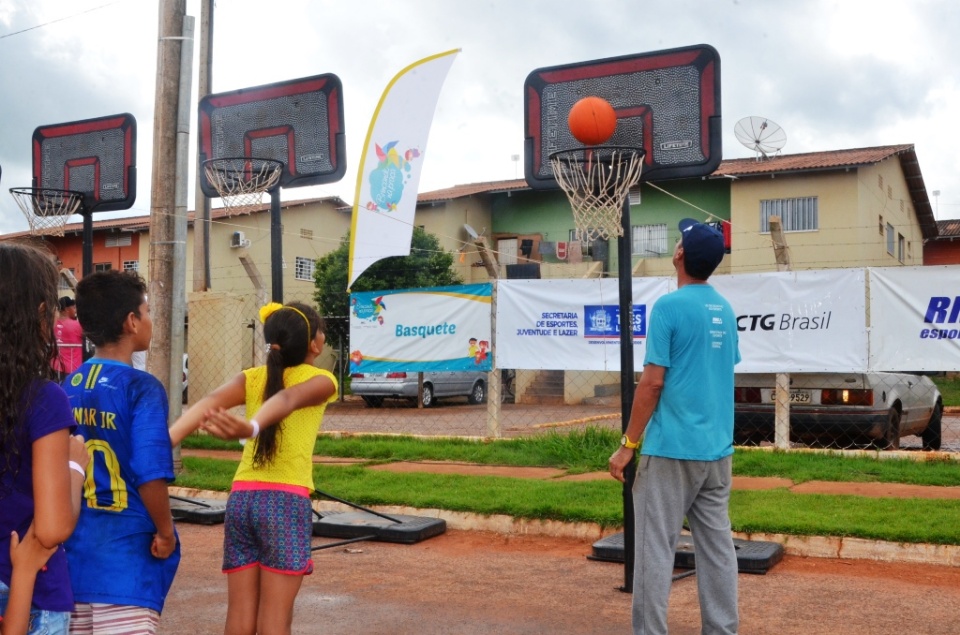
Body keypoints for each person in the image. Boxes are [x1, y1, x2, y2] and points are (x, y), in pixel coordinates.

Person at [169, 301, 338, 635]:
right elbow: (288, 399)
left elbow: (204, 404)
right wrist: (252, 428)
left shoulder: (252, 377)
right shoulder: (323, 379)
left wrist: (161, 446)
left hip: (242, 500)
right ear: (314, 344)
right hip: (285, 503)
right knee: (275, 619)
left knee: (239, 615)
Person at [609, 218, 741, 635]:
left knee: (653, 551)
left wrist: (628, 443)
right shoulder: (725, 307)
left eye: (679, 240)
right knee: (718, 549)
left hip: (671, 451)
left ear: (680, 255)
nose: (676, 244)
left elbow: (651, 383)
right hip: (717, 452)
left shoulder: (669, 306)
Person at [61, 270, 179, 635]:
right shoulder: (141, 387)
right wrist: (166, 530)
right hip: (126, 562)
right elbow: (149, 471)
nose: (149, 319)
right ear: (131, 321)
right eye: (146, 311)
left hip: (74, 560)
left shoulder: (68, 384)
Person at [0, 242, 89, 635]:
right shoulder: (43, 399)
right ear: (39, 314)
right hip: (29, 591)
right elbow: (51, 529)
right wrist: (75, 467)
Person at [52, 297, 83, 381]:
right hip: (72, 368)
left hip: (54, 367)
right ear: (66, 309)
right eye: (73, 307)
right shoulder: (77, 325)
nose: (75, 310)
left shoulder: (51, 325)